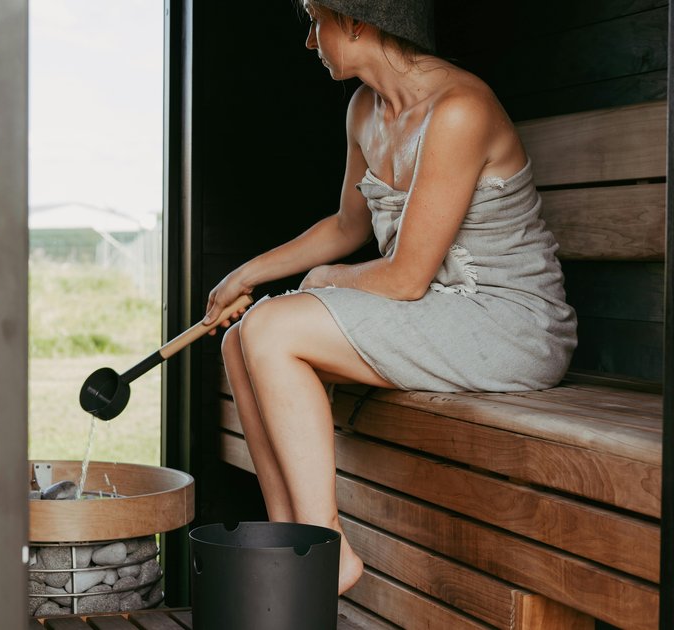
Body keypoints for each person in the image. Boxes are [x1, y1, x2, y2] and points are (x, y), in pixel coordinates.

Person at [200, 0, 578, 595]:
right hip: (436, 311)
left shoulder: (459, 110)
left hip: (508, 323)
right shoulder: (364, 110)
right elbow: (349, 226)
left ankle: (323, 546)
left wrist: (325, 279)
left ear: (356, 19)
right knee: (241, 337)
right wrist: (245, 275)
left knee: (272, 330)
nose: (308, 41)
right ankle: (291, 543)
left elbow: (405, 279)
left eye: (312, 20)